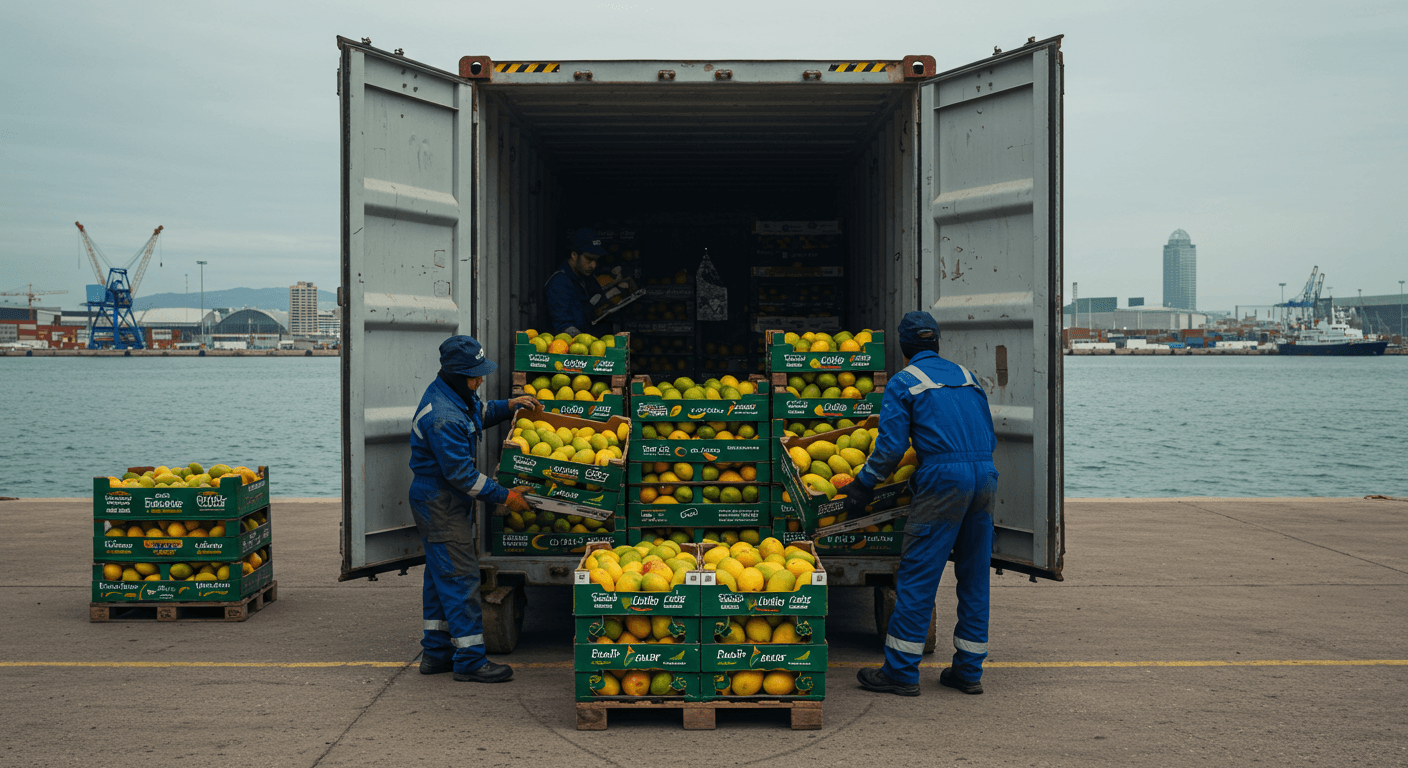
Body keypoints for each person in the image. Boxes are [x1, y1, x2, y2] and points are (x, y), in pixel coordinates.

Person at [846, 311, 999, 697]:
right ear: (937, 343)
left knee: (918, 575)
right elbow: (987, 432)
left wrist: (864, 484)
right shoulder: (967, 377)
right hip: (984, 474)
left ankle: (900, 671)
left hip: (944, 479)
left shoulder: (904, 382)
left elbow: (892, 447)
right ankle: (968, 670)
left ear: (903, 347)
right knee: (974, 574)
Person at [408, 335, 538, 683]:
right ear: (454, 374)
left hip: (442, 499)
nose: (479, 380)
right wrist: (506, 496)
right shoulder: (443, 417)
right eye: (473, 376)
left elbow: (478, 413)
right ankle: (470, 660)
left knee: (439, 579)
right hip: (439, 500)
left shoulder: (456, 396)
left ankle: (436, 654)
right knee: (461, 579)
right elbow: (463, 477)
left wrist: (509, 406)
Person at [544, 227, 616, 335]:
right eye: (589, 259)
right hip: (572, 348)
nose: (593, 265)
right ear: (574, 255)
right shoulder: (559, 283)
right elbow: (564, 327)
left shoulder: (586, 278)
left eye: (596, 260)